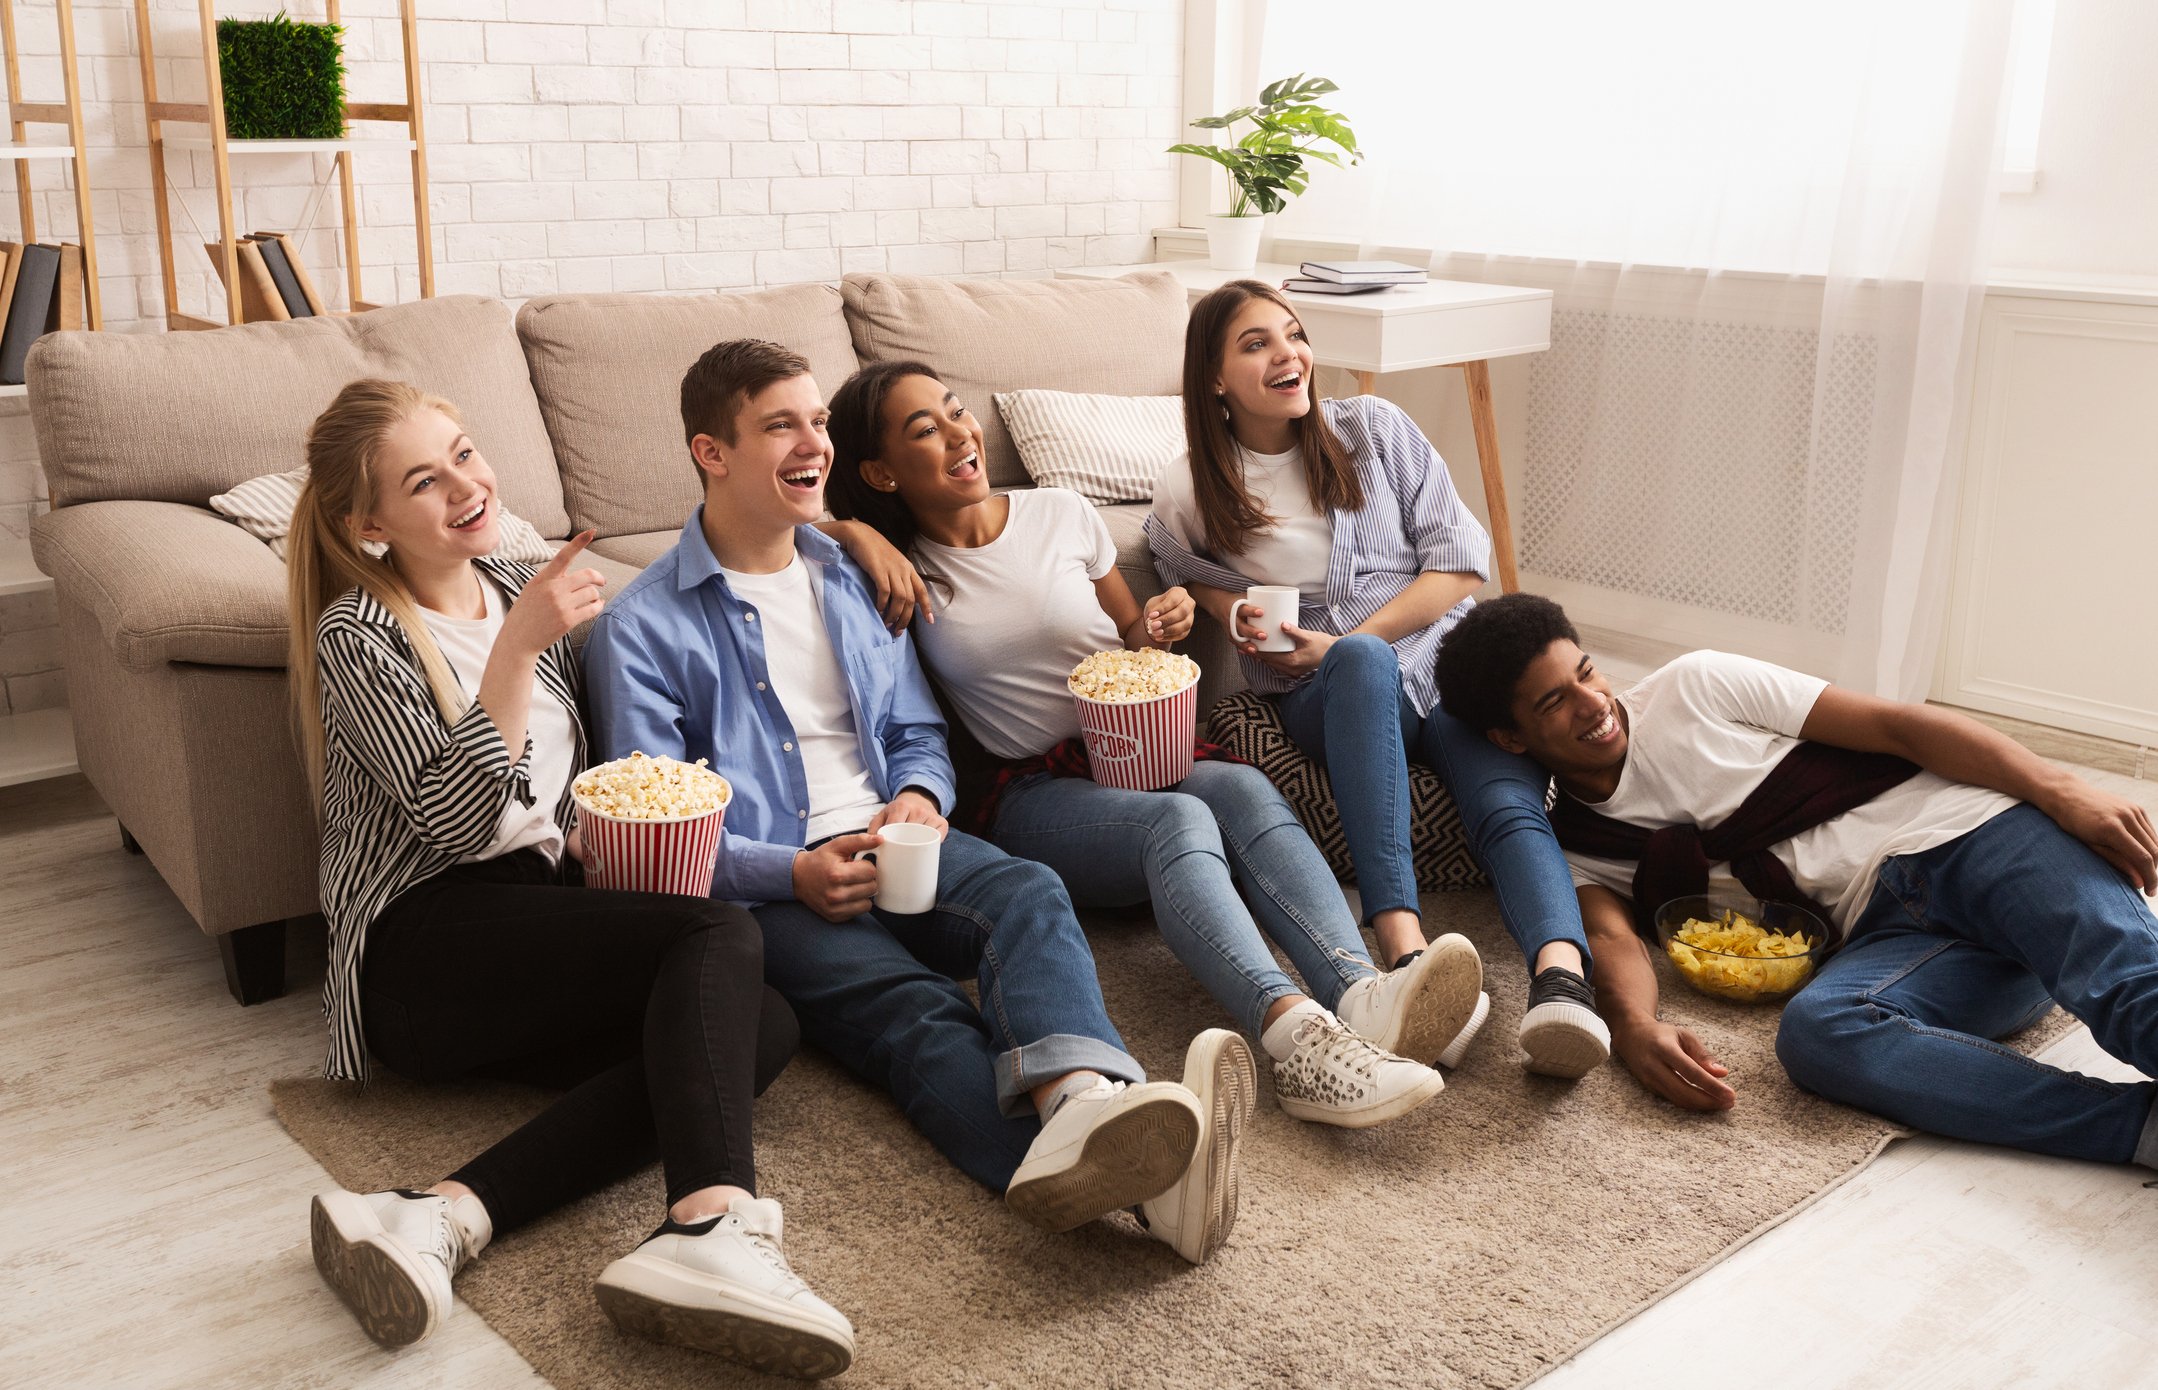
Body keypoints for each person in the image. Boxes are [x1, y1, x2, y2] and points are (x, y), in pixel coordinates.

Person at [583, 340, 1253, 1266]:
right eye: (780, 425)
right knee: (915, 1010)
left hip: (896, 837)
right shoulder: (640, 627)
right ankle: (1144, 1190)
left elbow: (915, 730)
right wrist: (793, 871)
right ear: (712, 452)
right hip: (777, 886)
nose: (810, 442)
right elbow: (647, 827)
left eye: (817, 420)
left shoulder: (858, 576)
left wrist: (917, 797)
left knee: (1027, 894)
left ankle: (1079, 1108)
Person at [287, 380, 855, 1379]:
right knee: (714, 932)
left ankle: (442, 1215)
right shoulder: (359, 636)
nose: (466, 484)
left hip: (532, 914)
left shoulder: (513, 583)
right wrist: (516, 647)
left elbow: (568, 771)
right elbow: (459, 824)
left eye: (464, 452)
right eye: (426, 479)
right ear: (369, 524)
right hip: (419, 947)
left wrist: (850, 534)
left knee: (758, 1023)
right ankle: (714, 1221)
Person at [821, 358, 1485, 1130]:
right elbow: (774, 530)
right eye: (922, 431)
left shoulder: (1060, 513)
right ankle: (1297, 1040)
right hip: (1036, 792)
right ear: (880, 470)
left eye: (953, 411)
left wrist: (1162, 622)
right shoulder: (896, 570)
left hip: (1140, 746)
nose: (959, 434)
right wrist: (853, 530)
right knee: (1180, 822)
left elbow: (1134, 642)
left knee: (1240, 790)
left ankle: (1361, 992)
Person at [1434, 592, 2158, 1170]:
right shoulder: (1581, 844)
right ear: (1510, 739)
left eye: (1585, 672)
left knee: (2131, 999)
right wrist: (1635, 1026)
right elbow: (1609, 936)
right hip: (1895, 937)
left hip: (1976, 836)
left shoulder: (1697, 686)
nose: (1592, 702)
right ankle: (2134, 1130)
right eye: (1553, 702)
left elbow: (1900, 728)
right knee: (1819, 1037)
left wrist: (2061, 790)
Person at [1147, 279, 1607, 1079]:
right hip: (1329, 699)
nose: (1289, 355)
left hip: (1443, 667)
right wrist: (1232, 613)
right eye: (1257, 344)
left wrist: (1349, 638)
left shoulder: (1376, 429)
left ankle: (1561, 983)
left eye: (1294, 335)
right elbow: (1175, 566)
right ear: (1214, 377)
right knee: (1360, 665)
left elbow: (1462, 564)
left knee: (1502, 798)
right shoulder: (1192, 484)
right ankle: (1404, 953)